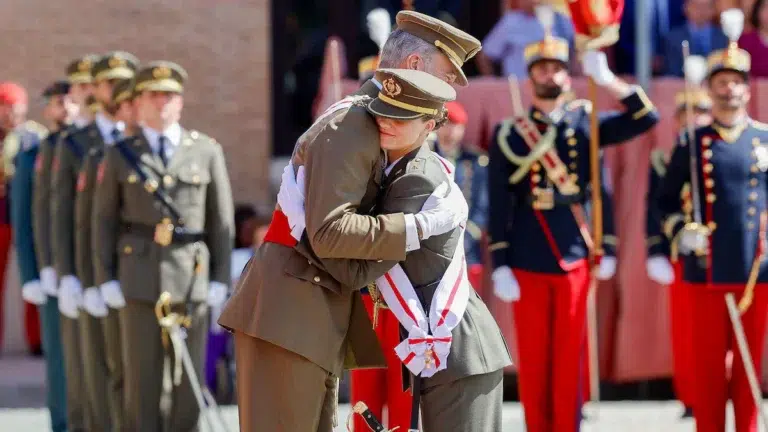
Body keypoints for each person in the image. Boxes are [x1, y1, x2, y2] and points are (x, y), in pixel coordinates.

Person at [218, 10, 480, 431]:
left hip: (310, 308)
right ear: (414, 67)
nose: (451, 91)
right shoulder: (353, 124)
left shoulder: (371, 121)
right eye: (447, 76)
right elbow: (330, 232)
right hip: (291, 309)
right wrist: (418, 227)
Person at [488, 34, 659, 432]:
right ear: (531, 77)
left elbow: (646, 119)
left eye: (558, 68)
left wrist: (611, 81)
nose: (551, 74)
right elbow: (499, 202)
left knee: (570, 356)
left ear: (569, 76)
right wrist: (500, 261)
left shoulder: (588, 120)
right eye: (542, 68)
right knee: (533, 358)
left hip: (574, 253)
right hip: (527, 256)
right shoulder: (510, 133)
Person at [364, 67, 511, 430]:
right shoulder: (396, 169)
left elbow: (364, 246)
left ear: (429, 127)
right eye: (383, 114)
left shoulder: (416, 175)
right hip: (436, 349)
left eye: (402, 117)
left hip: (458, 355)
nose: (387, 123)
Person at [92, 60, 234, 432]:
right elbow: (103, 221)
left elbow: (220, 222)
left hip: (191, 277)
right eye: (153, 96)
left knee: (189, 381)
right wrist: (105, 278)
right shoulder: (121, 153)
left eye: (169, 95)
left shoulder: (205, 150)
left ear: (181, 102)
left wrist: (220, 279)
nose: (162, 103)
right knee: (142, 380)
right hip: (139, 279)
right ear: (138, 103)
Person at [655, 10, 768, 431]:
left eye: (736, 82)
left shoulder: (765, 139)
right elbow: (663, 203)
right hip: (706, 268)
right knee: (708, 372)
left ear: (746, 89)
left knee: (749, 367)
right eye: (721, 82)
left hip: (756, 270)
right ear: (710, 89)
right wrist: (681, 232)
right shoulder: (692, 142)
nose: (730, 90)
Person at [346, 57, 413, 432]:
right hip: (364, 287)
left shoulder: (414, 151)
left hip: (407, 291)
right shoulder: (345, 153)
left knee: (405, 397)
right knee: (364, 399)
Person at [646, 81, 712, 419]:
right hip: (681, 251)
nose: (694, 120)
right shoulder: (663, 159)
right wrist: (656, 249)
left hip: (719, 253)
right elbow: (655, 207)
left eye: (701, 113)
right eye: (687, 114)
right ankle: (689, 394)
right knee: (686, 329)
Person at [39, 54, 98, 432]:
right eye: (76, 87)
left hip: (107, 260)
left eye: (87, 86)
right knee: (69, 358)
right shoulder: (58, 144)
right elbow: (46, 208)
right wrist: (48, 265)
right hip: (71, 263)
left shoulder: (111, 135)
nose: (82, 93)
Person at [30, 80, 75, 432]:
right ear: (46, 109)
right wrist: (33, 272)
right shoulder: (35, 152)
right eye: (57, 102)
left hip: (86, 265)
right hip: (51, 269)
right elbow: (27, 215)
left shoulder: (93, 149)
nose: (65, 108)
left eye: (70, 101)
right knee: (59, 360)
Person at [432, 100, 489, 290]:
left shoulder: (475, 161)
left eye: (457, 126)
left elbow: (482, 206)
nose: (450, 132)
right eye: (446, 124)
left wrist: (466, 237)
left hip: (467, 251)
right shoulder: (425, 158)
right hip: (430, 252)